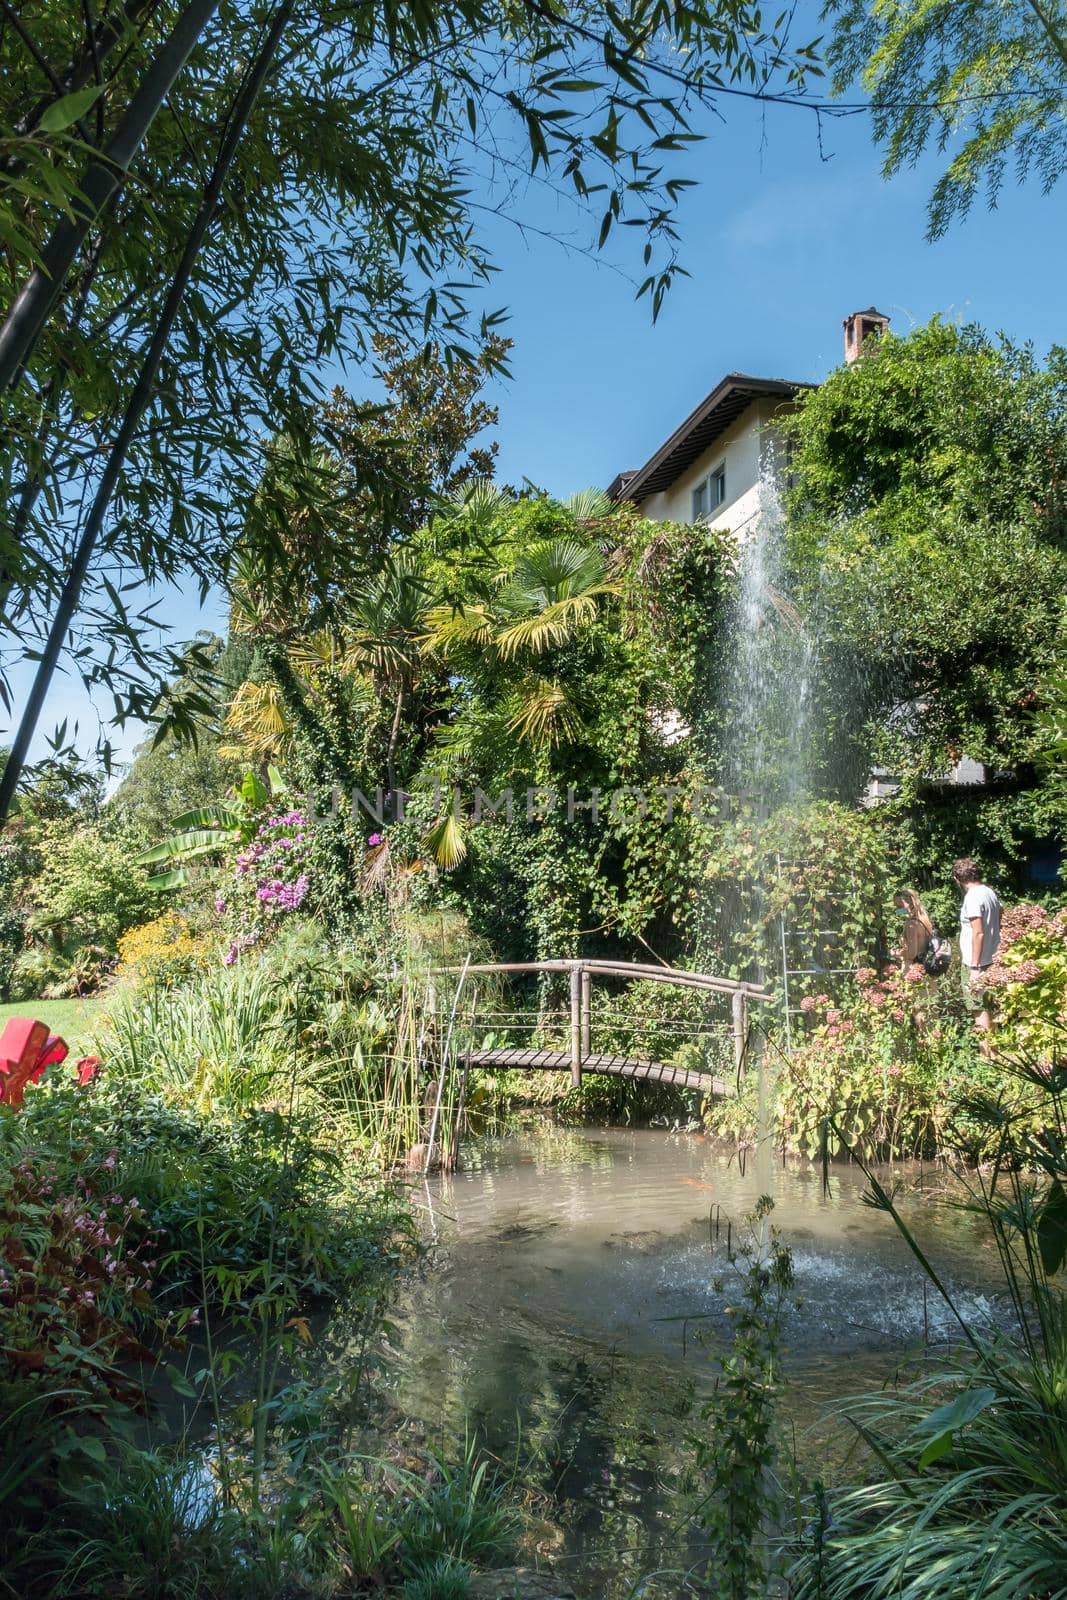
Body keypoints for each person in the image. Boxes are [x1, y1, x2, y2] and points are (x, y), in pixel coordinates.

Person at [952, 857, 1001, 1033]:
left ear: (957, 878)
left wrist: (974, 968)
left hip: (978, 963)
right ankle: (995, 1053)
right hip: (993, 958)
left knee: (979, 1009)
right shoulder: (989, 892)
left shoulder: (972, 897)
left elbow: (978, 932)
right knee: (991, 1007)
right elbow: (1000, 915)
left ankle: (986, 1057)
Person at [894, 888, 934, 968]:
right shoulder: (924, 919)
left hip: (912, 968)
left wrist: (896, 954)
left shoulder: (911, 925)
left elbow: (912, 953)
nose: (897, 909)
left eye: (900, 906)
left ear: (911, 903)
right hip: (925, 965)